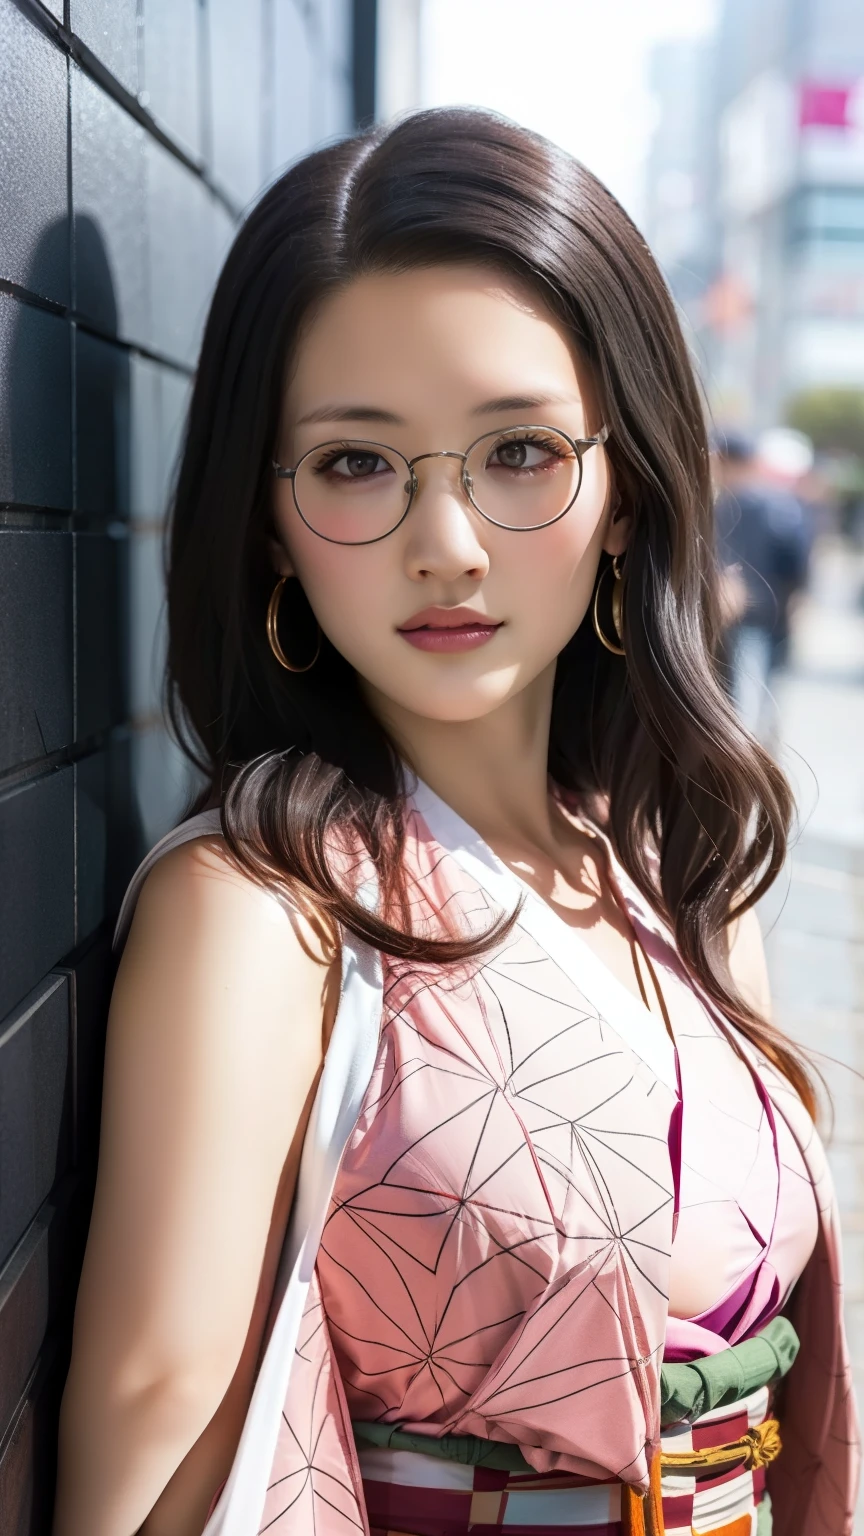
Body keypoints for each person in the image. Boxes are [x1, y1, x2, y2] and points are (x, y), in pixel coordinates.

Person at [53, 110, 858, 1536]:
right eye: (360, 463)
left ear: (626, 495)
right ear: (270, 522)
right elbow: (157, 1420)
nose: (450, 542)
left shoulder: (676, 868)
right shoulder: (265, 911)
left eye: (520, 451)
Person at [712, 430, 812, 738]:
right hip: (757, 617)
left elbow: (795, 562)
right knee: (749, 700)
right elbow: (798, 564)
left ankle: (745, 768)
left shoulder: (734, 505)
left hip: (749, 619)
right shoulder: (775, 506)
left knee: (742, 705)